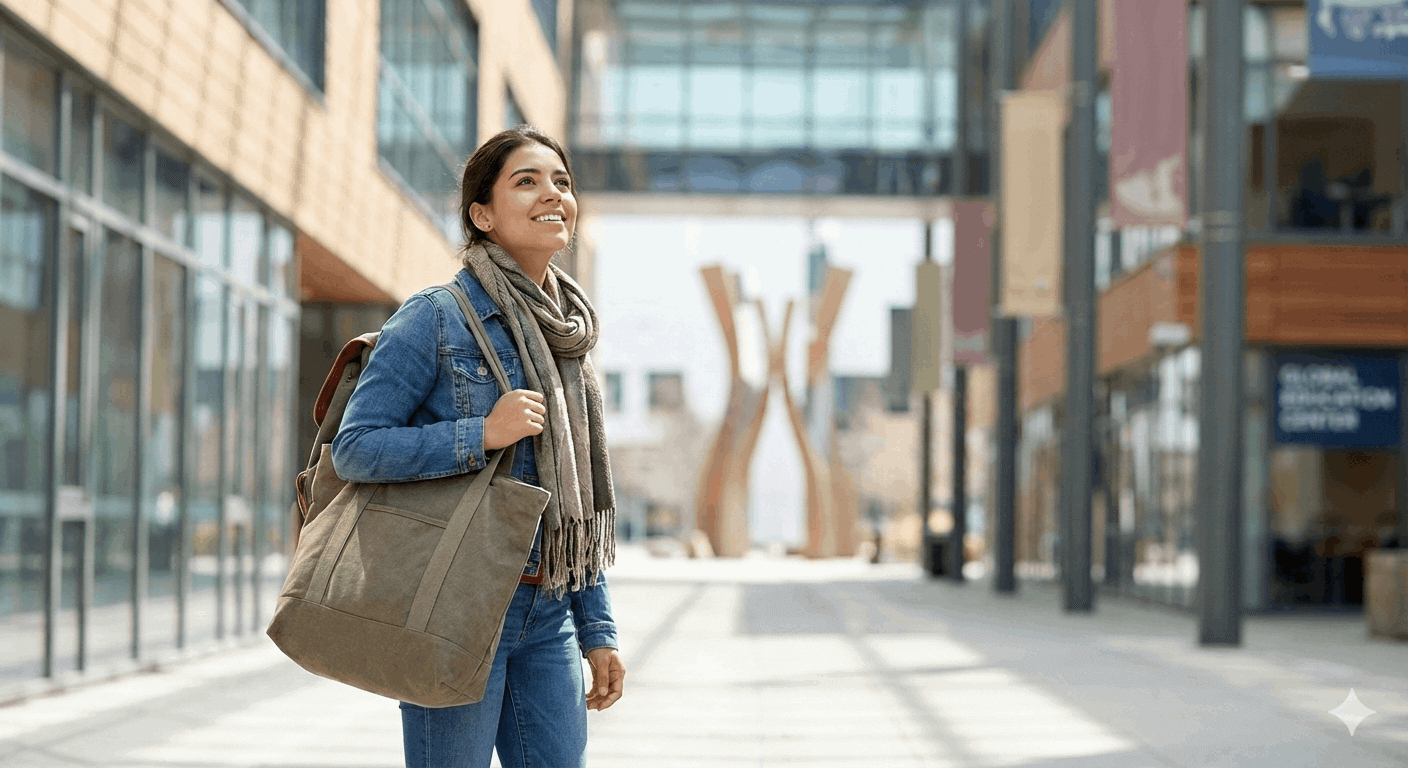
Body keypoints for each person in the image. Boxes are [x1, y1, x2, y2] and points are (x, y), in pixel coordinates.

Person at [331, 125, 626, 767]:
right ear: (482, 214)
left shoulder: (567, 337)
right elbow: (355, 448)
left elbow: (571, 501)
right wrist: (480, 434)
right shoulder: (434, 317)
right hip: (454, 606)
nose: (553, 193)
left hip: (548, 611)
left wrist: (597, 629)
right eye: (527, 181)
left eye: (562, 181)